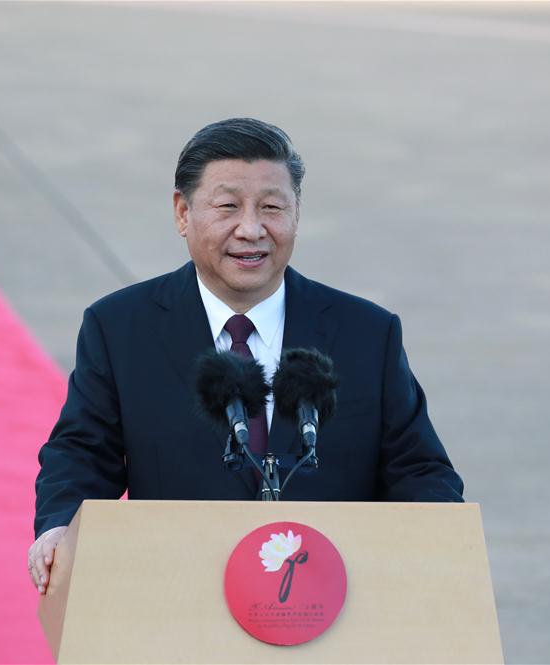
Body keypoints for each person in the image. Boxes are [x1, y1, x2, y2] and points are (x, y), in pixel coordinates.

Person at [27, 118, 463, 594]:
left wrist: (436, 538)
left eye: (272, 207)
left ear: (297, 213)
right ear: (182, 212)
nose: (252, 229)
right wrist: (60, 527)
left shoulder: (366, 332)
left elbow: (418, 467)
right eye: (228, 207)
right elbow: (84, 452)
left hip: (329, 602)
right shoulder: (121, 326)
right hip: (178, 594)